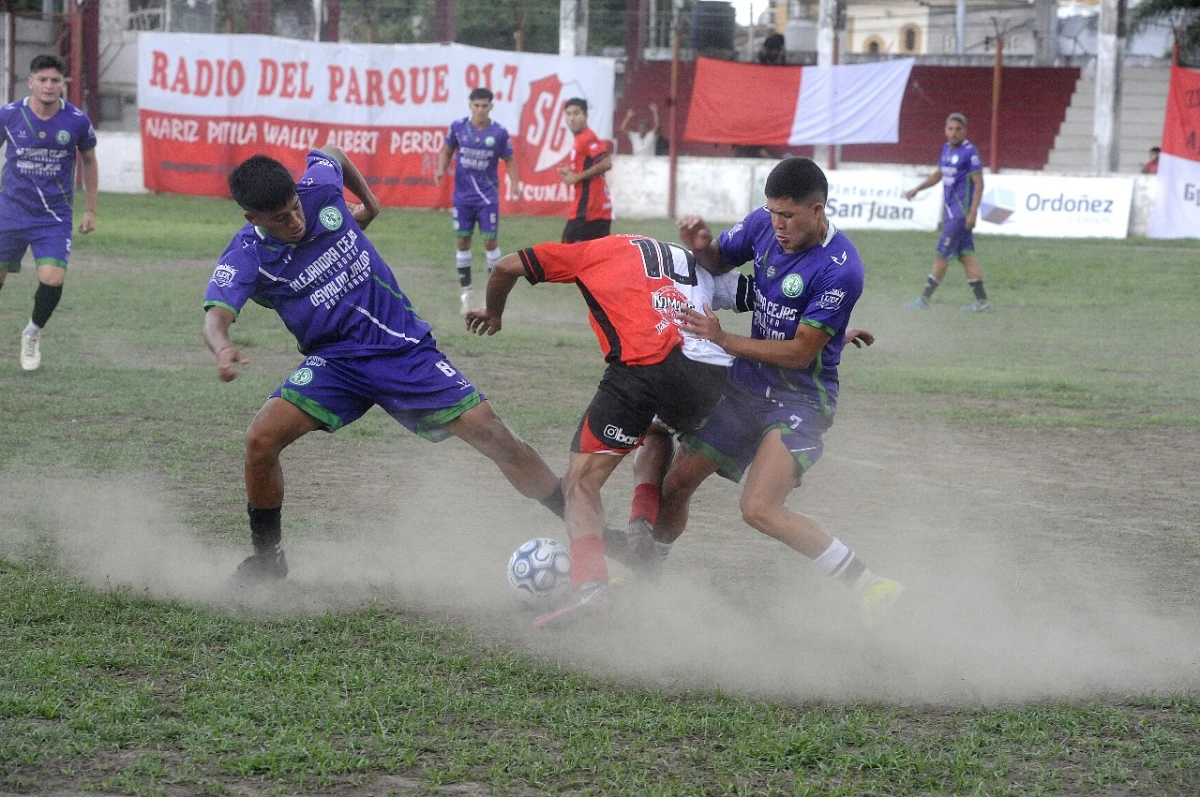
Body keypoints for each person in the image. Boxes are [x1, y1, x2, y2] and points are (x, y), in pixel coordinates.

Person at [203, 147, 565, 585]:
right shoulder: (247, 255)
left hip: (403, 348)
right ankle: (267, 560)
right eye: (279, 217)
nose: (295, 221)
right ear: (252, 218)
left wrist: (370, 203)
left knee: (498, 437)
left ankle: (590, 532)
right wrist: (222, 347)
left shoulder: (318, 186)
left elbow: (332, 153)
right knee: (260, 439)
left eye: (295, 207)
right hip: (337, 364)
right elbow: (215, 316)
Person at [645, 157, 903, 626]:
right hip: (746, 385)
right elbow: (717, 260)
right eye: (772, 213)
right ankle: (647, 579)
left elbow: (801, 354)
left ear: (817, 209)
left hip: (801, 400)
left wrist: (721, 338)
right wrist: (702, 246)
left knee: (759, 508)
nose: (777, 225)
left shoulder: (841, 269)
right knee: (677, 483)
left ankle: (872, 587)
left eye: (788, 216)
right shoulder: (764, 225)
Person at [465, 234, 751, 626]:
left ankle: (591, 586)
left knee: (581, 481)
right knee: (658, 429)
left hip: (642, 367)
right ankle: (640, 527)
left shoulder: (591, 251)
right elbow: (760, 298)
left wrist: (494, 312)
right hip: (709, 371)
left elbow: (505, 266)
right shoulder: (688, 258)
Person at [0, 54, 98, 371]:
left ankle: (32, 333)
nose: (48, 85)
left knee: (52, 278)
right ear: (30, 82)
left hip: (52, 217)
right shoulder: (9, 115)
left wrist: (90, 210)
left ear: (62, 85)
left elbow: (89, 161)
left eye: (55, 80)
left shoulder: (76, 120)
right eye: (42, 79)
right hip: (10, 212)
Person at [434, 87, 521, 316]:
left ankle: (495, 294)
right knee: (463, 243)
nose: (480, 110)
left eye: (484, 106)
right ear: (470, 105)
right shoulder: (458, 127)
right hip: (463, 198)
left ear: (491, 107)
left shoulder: (499, 133)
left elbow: (510, 160)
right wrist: (441, 169)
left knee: (490, 244)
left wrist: (515, 183)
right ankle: (466, 293)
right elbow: (447, 150)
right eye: (476, 106)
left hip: (486, 198)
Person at [903, 112, 990, 312]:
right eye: (950, 129)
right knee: (965, 255)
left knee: (942, 254)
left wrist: (973, 213)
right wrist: (918, 188)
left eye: (958, 129)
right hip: (951, 213)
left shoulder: (970, 153)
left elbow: (979, 184)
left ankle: (924, 299)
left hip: (960, 215)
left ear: (965, 131)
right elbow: (938, 175)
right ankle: (982, 301)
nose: (954, 133)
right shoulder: (945, 150)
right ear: (945, 130)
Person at [558, 98, 613, 243]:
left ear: (586, 115)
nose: (571, 118)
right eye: (568, 114)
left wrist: (576, 178)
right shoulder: (581, 139)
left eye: (576, 113)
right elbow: (587, 165)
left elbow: (606, 163)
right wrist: (570, 172)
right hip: (597, 208)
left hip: (590, 208)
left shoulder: (587, 137)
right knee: (595, 260)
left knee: (565, 251)